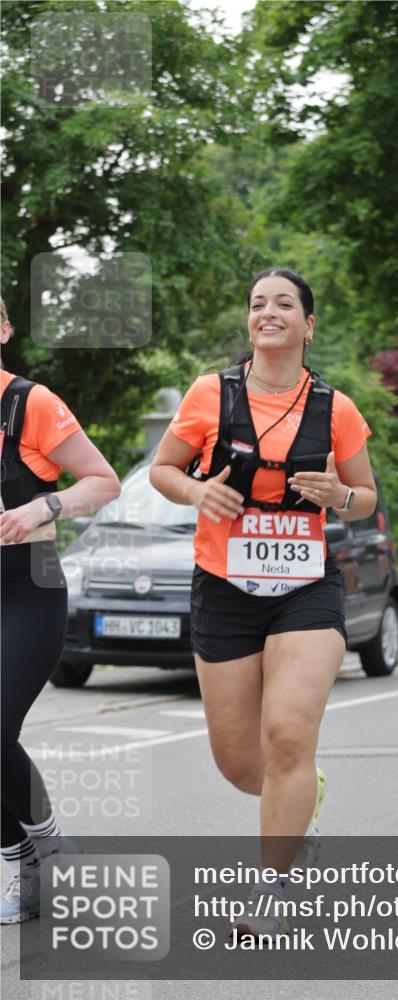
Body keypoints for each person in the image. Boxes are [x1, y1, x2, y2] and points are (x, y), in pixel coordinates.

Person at [149, 267, 376, 939]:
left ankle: (272, 887)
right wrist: (197, 493)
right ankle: (300, 801)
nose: (267, 311)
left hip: (306, 588)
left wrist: (339, 497)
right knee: (240, 762)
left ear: (308, 324)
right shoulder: (207, 395)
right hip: (223, 585)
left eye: (283, 303)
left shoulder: (336, 407)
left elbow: (365, 496)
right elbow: (163, 470)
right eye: (256, 303)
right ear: (249, 322)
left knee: (287, 735)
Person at [0, 296, 121, 923]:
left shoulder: (31, 404)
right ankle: (27, 861)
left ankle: (49, 849)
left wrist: (43, 507)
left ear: (3, 329)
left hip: (29, 586)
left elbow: (104, 482)